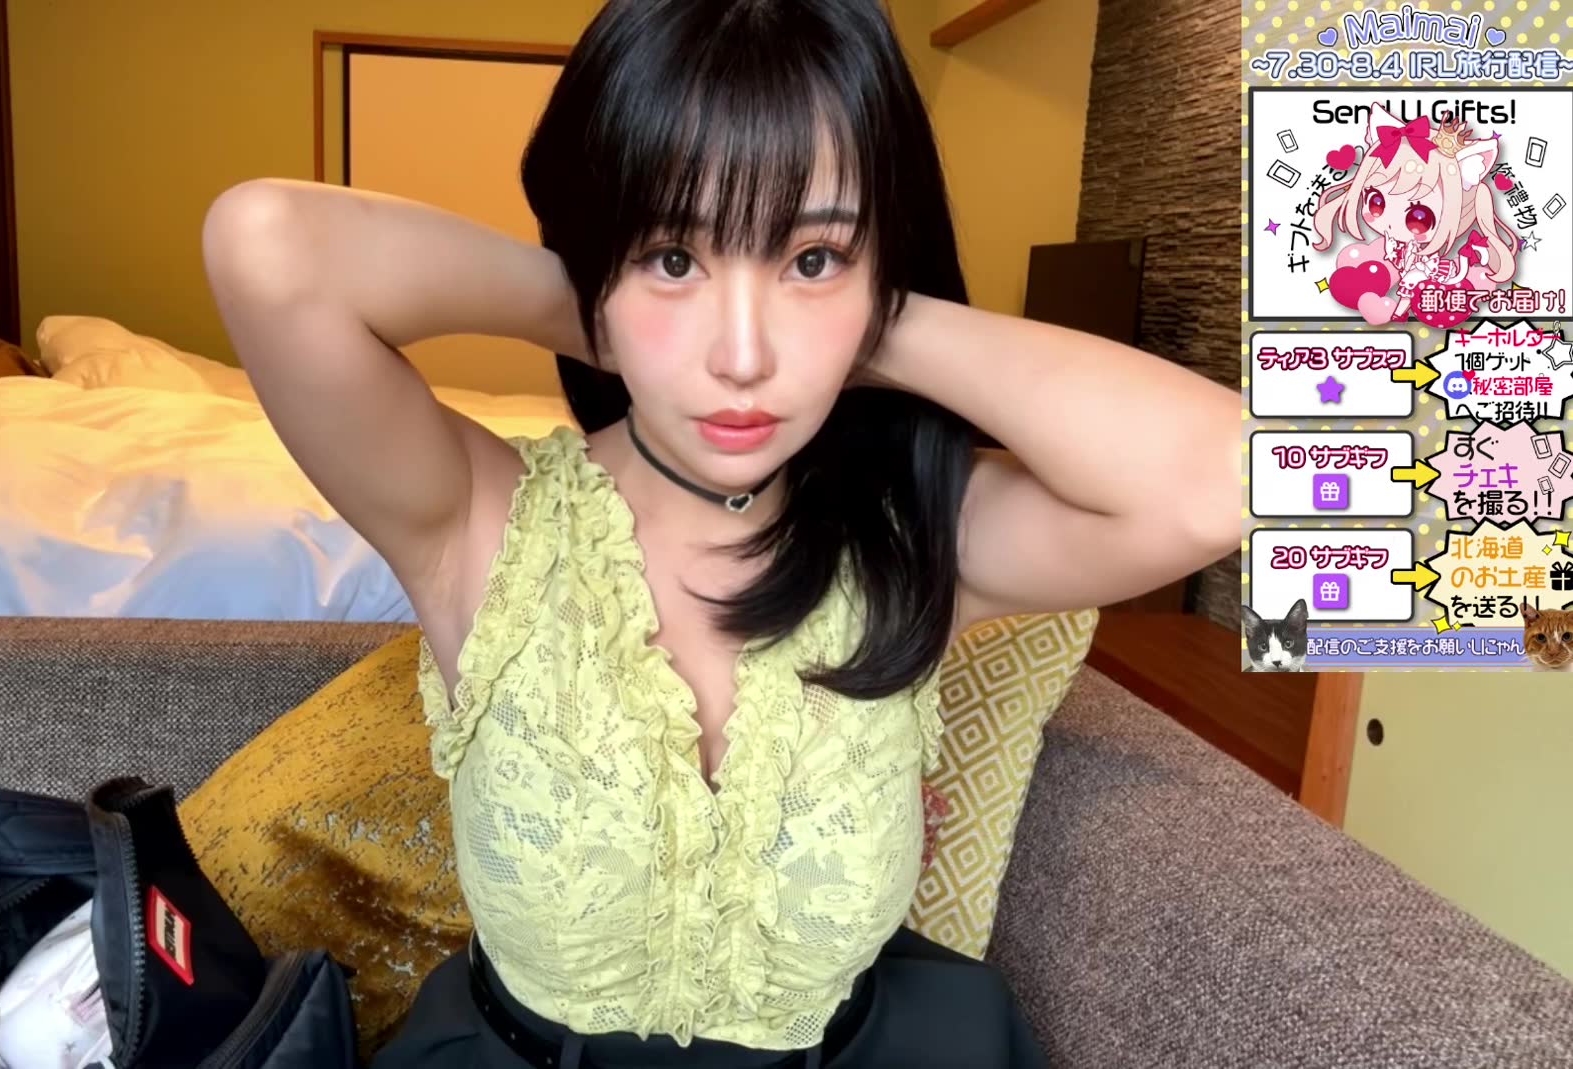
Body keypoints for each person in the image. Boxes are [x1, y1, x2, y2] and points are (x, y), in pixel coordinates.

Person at [201, 0, 1241, 1064]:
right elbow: (265, 242)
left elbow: (1229, 479)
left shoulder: (916, 537)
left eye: (814, 255)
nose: (743, 356)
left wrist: (867, 320)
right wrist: (604, 305)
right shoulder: (474, 521)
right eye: (671, 254)